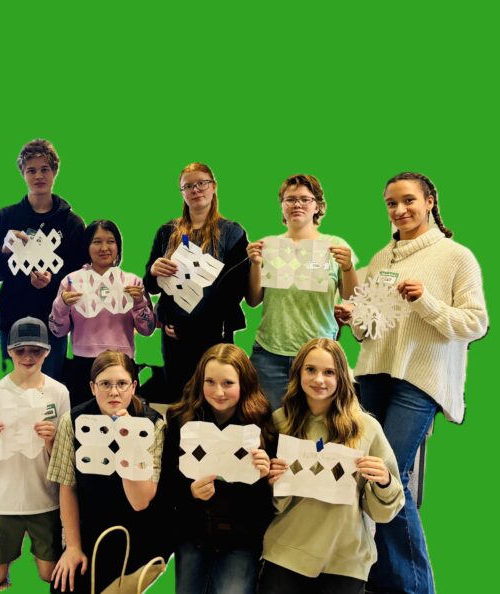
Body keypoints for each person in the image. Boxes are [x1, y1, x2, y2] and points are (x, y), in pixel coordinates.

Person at [348, 172, 488, 594]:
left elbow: (476, 323)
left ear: (430, 201)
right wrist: (351, 318)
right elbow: (368, 329)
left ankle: (413, 588)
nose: (399, 210)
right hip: (372, 374)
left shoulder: (456, 256)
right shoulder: (380, 259)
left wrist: (424, 300)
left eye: (408, 200)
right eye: (391, 203)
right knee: (360, 474)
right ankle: (376, 579)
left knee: (388, 474)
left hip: (419, 380)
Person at [260, 339, 404, 594]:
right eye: (311, 370)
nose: (319, 379)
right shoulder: (279, 421)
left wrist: (384, 482)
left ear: (342, 377)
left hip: (345, 559)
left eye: (329, 372)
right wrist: (271, 481)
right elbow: (265, 502)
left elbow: (385, 512)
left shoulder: (367, 428)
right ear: (298, 373)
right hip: (286, 550)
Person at [47, 351, 170, 593]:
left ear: (134, 386)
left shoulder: (152, 425)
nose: (114, 392)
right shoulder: (71, 421)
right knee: (64, 586)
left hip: (140, 529)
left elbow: (140, 502)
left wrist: (129, 442)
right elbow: (67, 487)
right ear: (92, 387)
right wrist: (72, 547)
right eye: (105, 384)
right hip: (92, 524)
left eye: (122, 384)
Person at [162, 344, 275, 594]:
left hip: (241, 538)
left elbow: (267, 505)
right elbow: (166, 484)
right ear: (200, 381)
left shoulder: (261, 424)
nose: (218, 391)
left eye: (228, 383)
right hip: (194, 532)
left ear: (243, 383)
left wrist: (266, 476)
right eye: (210, 382)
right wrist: (189, 492)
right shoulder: (182, 421)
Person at [245, 174, 358, 408]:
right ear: (282, 206)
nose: (297, 204)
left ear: (317, 205)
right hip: (269, 354)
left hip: (318, 355)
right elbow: (254, 300)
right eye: (290, 199)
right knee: (272, 427)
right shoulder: (267, 245)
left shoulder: (335, 245)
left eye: (305, 199)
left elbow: (351, 295)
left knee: (314, 426)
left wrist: (347, 267)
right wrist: (255, 264)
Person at [0, 317, 71, 590]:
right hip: (2, 500)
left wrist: (52, 441)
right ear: (10, 351)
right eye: (21, 351)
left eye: (36, 351)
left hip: (45, 498)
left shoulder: (58, 392)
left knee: (49, 575)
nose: (28, 357)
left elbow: (64, 458)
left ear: (47, 351)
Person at [144, 162, 250, 405]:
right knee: (180, 402)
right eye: (188, 186)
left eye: (202, 183)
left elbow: (234, 291)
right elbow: (150, 285)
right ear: (182, 193)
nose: (196, 189)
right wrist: (153, 270)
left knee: (215, 400)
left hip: (215, 335)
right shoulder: (166, 231)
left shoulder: (233, 233)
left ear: (214, 187)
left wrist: (191, 327)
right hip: (174, 338)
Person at [0, 139, 86, 380]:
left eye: (45, 169)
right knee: (11, 392)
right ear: (22, 173)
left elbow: (80, 276)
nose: (38, 175)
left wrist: (53, 281)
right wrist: (5, 250)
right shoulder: (6, 217)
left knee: (49, 392)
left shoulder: (72, 223)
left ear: (55, 172)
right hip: (12, 317)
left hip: (54, 321)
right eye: (31, 170)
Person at [49, 219, 155, 406]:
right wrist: (62, 304)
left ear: (118, 246)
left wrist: (139, 303)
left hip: (122, 364)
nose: (104, 247)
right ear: (87, 246)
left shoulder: (132, 282)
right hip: (83, 365)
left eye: (110, 241)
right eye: (97, 241)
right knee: (84, 423)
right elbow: (57, 330)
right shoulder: (72, 282)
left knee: (121, 422)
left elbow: (147, 329)